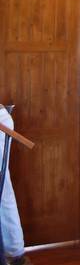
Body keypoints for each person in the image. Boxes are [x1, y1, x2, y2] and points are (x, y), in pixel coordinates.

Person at [0, 105, 31, 265]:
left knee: (3, 191)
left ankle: (14, 253)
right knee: (4, 192)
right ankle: (14, 251)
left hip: (1, 122)